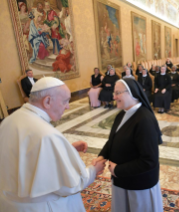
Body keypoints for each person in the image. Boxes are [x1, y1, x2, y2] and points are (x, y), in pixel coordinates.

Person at [0, 77, 106, 212]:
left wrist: (64, 149)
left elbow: (24, 156)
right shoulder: (47, 135)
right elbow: (70, 185)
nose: (67, 107)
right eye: (65, 101)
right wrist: (93, 170)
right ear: (48, 101)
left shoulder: (10, 120)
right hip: (41, 207)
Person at [92, 78, 163, 212]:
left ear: (132, 93)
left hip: (138, 184)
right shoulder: (122, 114)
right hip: (123, 180)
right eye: (114, 93)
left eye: (118, 93)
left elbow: (149, 161)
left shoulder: (144, 120)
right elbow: (113, 140)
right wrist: (102, 156)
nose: (114, 97)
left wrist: (118, 170)